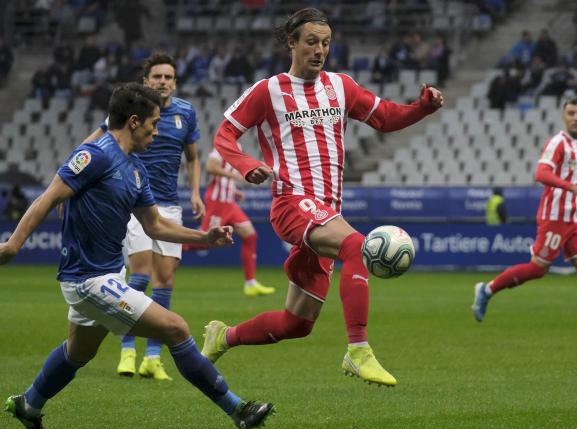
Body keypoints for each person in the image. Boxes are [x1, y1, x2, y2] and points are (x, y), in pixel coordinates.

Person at [1, 84, 274, 429]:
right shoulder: (93, 155)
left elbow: (156, 225)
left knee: (77, 353)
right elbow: (48, 198)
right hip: (87, 280)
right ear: (133, 121)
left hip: (109, 272)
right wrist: (12, 246)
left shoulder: (135, 169)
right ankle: (238, 409)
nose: (157, 131)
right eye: (153, 123)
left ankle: (29, 405)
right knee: (175, 328)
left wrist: (204, 237)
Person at [200, 7, 444, 387]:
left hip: (326, 210)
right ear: (292, 43)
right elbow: (224, 136)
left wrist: (423, 108)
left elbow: (386, 117)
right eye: (311, 41)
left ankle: (223, 336)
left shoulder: (341, 86)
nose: (319, 50)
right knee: (357, 247)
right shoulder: (269, 90)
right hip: (292, 202)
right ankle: (358, 350)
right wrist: (246, 164)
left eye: (326, 43)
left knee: (296, 324)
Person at [83, 52, 206, 381]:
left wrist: (195, 192)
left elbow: (193, 158)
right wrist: (75, 170)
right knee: (140, 275)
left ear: (175, 82)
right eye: (157, 77)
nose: (163, 82)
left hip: (169, 204)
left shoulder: (185, 113)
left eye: (169, 77)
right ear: (146, 81)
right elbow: (94, 142)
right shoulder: (133, 112)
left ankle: (152, 357)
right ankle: (127, 352)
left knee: (164, 280)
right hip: (134, 204)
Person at [472, 98, 577, 342]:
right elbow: (541, 173)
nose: (576, 117)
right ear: (564, 117)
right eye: (571, 113)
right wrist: (572, 188)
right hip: (553, 217)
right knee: (537, 269)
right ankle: (487, 289)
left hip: (574, 218)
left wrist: (574, 193)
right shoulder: (558, 143)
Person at [184, 146, 276, 297]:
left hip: (229, 202)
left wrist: (233, 190)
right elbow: (210, 167)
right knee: (205, 241)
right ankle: (170, 248)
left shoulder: (237, 147)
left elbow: (223, 176)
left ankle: (250, 283)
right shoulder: (222, 147)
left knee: (250, 235)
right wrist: (236, 178)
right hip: (218, 203)